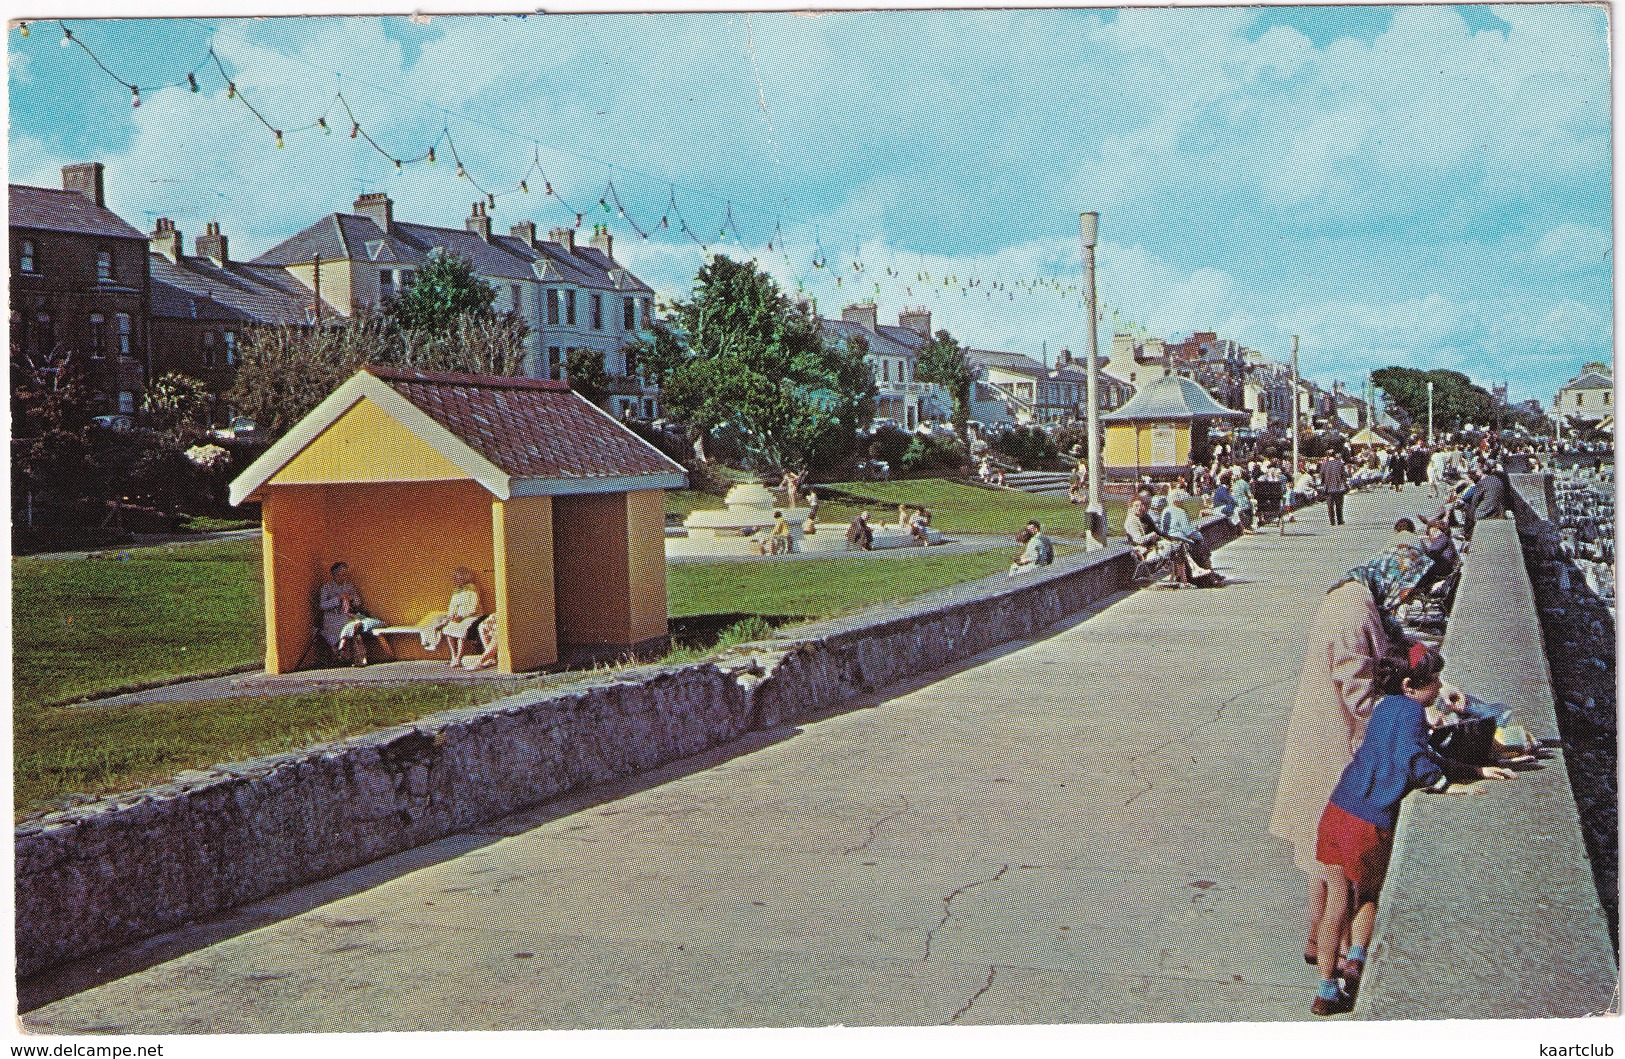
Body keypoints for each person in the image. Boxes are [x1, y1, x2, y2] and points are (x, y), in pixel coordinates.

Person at [1308, 644, 1513, 1015]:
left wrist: (1475, 769)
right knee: (1369, 894)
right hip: (1369, 820)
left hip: (1337, 809)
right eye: (1433, 681)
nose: (1438, 687)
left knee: (1336, 898)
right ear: (1409, 685)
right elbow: (1416, 759)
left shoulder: (1384, 708)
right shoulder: (1414, 714)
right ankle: (1355, 956)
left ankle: (1325, 991)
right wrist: (1447, 785)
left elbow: (1411, 750)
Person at [1268, 542, 1435, 972]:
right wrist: (1409, 714)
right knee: (1337, 863)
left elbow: (1391, 644)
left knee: (1318, 850)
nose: (1404, 599)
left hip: (1325, 731)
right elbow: (1359, 690)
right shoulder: (1353, 612)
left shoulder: (1357, 595)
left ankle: (1315, 940)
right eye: (1407, 590)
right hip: (1333, 737)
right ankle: (1338, 950)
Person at [319, 561, 384, 667]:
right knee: (351, 627)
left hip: (347, 615)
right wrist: (338, 599)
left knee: (356, 628)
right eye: (340, 575)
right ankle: (346, 652)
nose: (342, 577)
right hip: (333, 618)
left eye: (344, 575)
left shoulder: (349, 587)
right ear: (334, 575)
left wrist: (352, 598)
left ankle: (356, 656)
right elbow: (322, 605)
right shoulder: (327, 588)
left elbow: (358, 603)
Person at [1158, 495, 1223, 586]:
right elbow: (1188, 532)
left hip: (1169, 538)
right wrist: (1199, 536)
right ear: (1178, 502)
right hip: (1180, 539)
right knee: (1202, 546)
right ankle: (1209, 574)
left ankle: (1209, 574)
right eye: (1182, 501)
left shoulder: (1165, 510)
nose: (1183, 503)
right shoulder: (1180, 512)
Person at [427, 566, 486, 667]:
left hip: (471, 616)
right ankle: (454, 656)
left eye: (460, 578)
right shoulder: (456, 591)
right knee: (449, 628)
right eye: (456, 578)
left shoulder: (472, 588)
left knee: (461, 629)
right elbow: (452, 606)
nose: (457, 580)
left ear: (466, 578)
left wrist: (462, 616)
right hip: (458, 617)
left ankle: (459, 657)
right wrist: (452, 616)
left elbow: (474, 607)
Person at [1319, 450, 1348, 526]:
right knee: (1339, 505)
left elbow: (1321, 476)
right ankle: (1340, 520)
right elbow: (1344, 475)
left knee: (1330, 506)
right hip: (1339, 487)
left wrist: (1323, 483)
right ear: (1335, 455)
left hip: (1328, 488)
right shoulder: (1340, 463)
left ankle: (1332, 521)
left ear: (1328, 456)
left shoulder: (1324, 464)